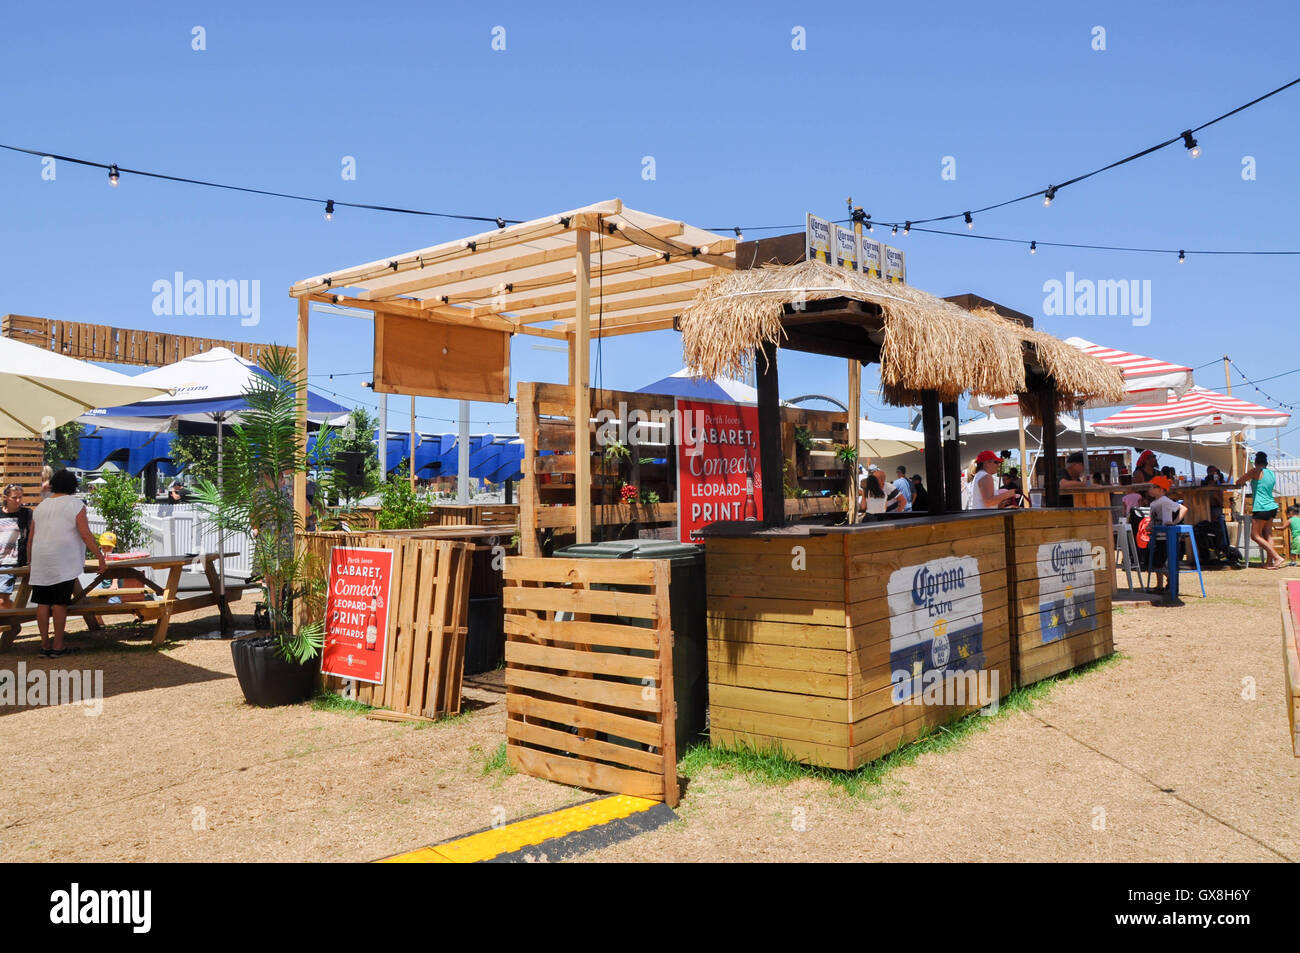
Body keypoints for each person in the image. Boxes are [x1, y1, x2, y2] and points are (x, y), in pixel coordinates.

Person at [27, 469, 107, 657]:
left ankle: (44, 644)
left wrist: (30, 560)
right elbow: (85, 534)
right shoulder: (75, 504)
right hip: (63, 561)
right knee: (59, 604)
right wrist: (100, 557)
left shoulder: (41, 506)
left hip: (41, 559)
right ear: (72, 486)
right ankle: (58, 645)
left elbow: (31, 537)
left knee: (43, 603)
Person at [1235, 450, 1285, 569]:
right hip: (1272, 506)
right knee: (1268, 534)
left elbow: (1239, 482)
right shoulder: (1271, 473)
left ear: (1256, 462)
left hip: (1261, 507)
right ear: (1266, 463)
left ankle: (1277, 557)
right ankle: (1269, 563)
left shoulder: (1256, 471)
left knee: (1255, 535)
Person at [1147, 475, 1188, 594]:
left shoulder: (1165, 500)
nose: (1150, 489)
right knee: (1157, 560)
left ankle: (1171, 580)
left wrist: (1174, 522)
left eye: (1153, 487)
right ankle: (1160, 585)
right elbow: (1153, 518)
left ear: (1161, 489)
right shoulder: (1154, 503)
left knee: (1160, 562)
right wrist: (1150, 525)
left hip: (1164, 535)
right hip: (1157, 533)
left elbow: (1183, 508)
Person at [0, 483, 32, 609]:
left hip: (10, 561)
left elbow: (32, 537)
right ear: (5, 498)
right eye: (14, 497)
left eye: (20, 497)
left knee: (2, 600)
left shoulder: (26, 514)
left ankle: (11, 623)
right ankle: (14, 621)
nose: (18, 501)